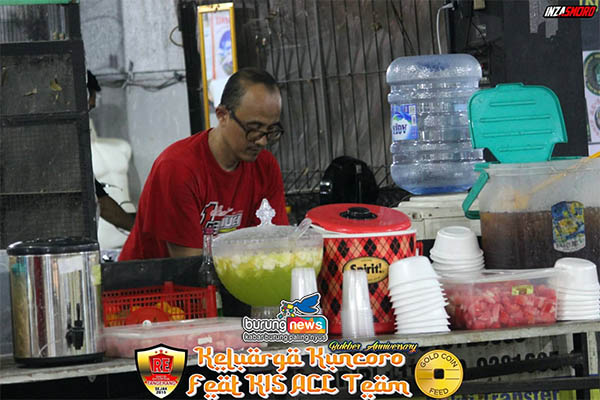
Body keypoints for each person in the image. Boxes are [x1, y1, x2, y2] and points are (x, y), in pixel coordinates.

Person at [119, 68, 289, 261]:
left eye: (271, 130)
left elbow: (275, 246)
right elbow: (190, 264)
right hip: (152, 278)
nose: (262, 141)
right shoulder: (177, 169)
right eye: (253, 129)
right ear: (222, 115)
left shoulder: (265, 167)